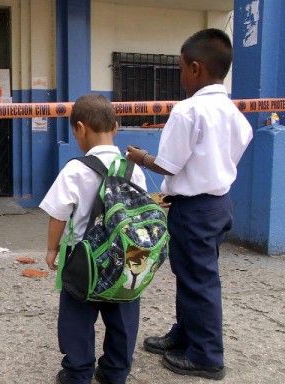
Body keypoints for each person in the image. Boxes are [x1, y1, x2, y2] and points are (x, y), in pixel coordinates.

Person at [126, 28, 253, 381]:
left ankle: (207, 356)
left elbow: (168, 164)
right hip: (218, 204)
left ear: (195, 69)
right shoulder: (233, 113)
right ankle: (186, 333)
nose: (181, 77)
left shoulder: (189, 111)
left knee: (200, 281)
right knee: (192, 275)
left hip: (195, 209)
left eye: (181, 69)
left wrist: (140, 157)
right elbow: (237, 147)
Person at [40, 94, 147, 384]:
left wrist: (52, 249)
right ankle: (115, 371)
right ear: (115, 128)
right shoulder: (133, 169)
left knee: (76, 318)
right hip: (126, 257)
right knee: (123, 315)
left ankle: (77, 372)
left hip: (82, 258)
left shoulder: (75, 169)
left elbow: (58, 215)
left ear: (79, 128)